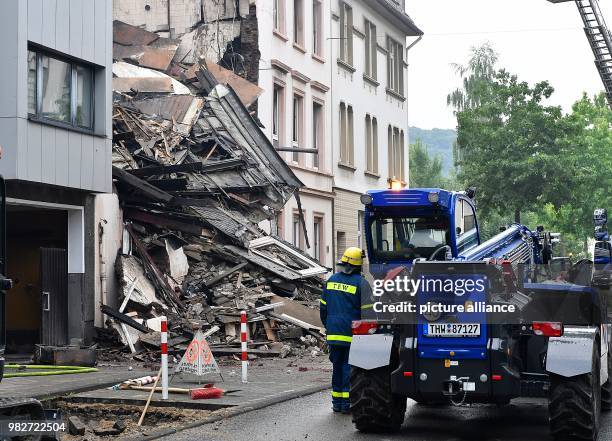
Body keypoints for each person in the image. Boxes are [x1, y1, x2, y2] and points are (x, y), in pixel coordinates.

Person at [320, 247, 372, 414]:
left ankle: (337, 403)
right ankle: (348, 403)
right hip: (352, 335)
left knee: (337, 368)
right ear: (358, 265)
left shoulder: (331, 280)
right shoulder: (361, 283)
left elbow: (323, 310)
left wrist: (329, 326)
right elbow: (369, 313)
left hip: (333, 333)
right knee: (349, 369)